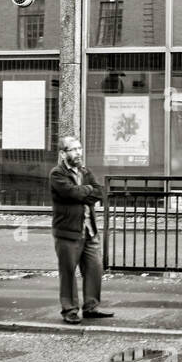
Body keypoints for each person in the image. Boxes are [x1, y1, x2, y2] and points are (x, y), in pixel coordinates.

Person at [49, 135, 113, 325]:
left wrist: (82, 192)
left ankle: (91, 307)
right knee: (68, 272)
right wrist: (86, 192)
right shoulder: (57, 174)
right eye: (73, 149)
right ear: (63, 154)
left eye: (80, 148)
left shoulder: (85, 171)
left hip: (89, 230)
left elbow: (99, 192)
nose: (78, 152)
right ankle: (69, 309)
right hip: (68, 232)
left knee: (94, 269)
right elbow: (69, 192)